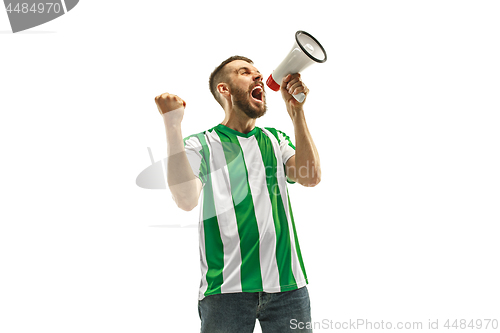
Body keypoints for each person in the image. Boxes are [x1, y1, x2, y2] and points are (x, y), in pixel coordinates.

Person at [154, 55, 321, 333]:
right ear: (224, 90)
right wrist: (173, 125)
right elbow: (185, 200)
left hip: (288, 288)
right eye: (245, 73)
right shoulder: (200, 144)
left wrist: (297, 113)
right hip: (226, 292)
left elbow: (310, 176)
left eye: (258, 73)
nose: (258, 77)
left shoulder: (275, 139)